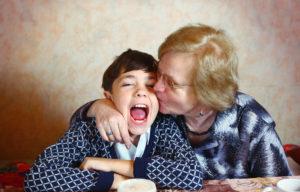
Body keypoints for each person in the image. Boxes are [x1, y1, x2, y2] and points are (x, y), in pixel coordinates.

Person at [71, 24, 292, 180]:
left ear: (206, 93)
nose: (156, 88)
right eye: (160, 74)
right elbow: (83, 120)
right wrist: (99, 107)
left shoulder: (252, 124)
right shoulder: (160, 108)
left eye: (172, 83)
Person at [24, 49, 202, 192]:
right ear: (108, 98)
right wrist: (114, 180)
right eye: (128, 84)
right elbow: (37, 177)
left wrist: (107, 164)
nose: (141, 91)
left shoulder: (165, 126)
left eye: (150, 85)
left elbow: (192, 176)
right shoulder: (87, 131)